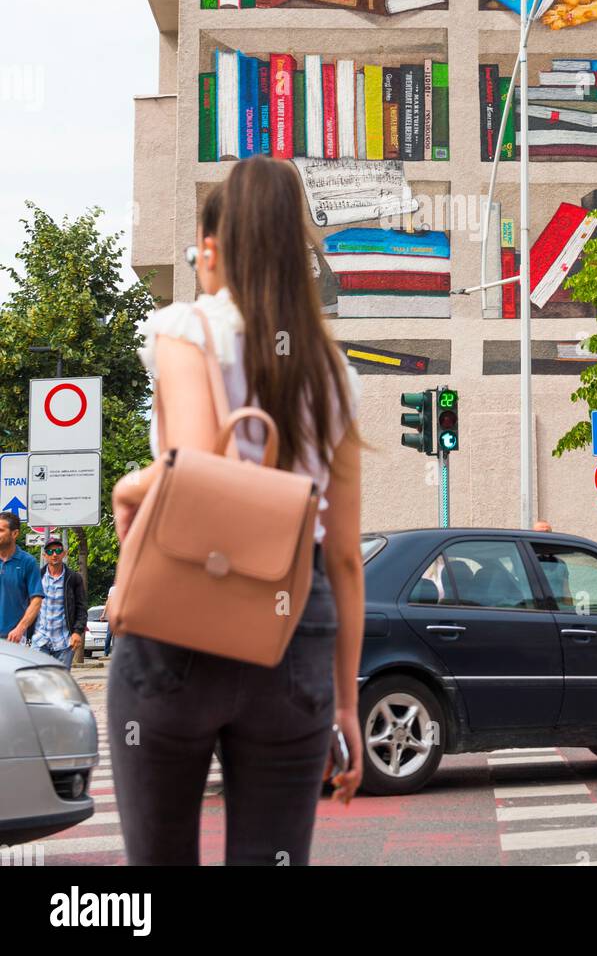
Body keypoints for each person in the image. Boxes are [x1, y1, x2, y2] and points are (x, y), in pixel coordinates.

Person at [108, 156, 365, 866]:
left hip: (179, 622)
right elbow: (344, 555)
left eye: (197, 251)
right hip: (294, 635)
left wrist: (131, 487)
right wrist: (345, 707)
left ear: (214, 248)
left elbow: (196, 469)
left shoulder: (185, 328)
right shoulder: (332, 371)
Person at [30, 539, 86, 669]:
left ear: (64, 553)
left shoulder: (73, 578)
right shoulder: (37, 577)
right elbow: (27, 604)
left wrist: (77, 632)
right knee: (38, 681)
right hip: (39, 640)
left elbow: (81, 608)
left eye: (58, 551)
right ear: (45, 555)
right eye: (50, 551)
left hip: (64, 643)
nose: (54, 554)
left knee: (60, 684)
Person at [0, 512, 43, 644]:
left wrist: (21, 628)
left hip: (14, 638)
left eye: (1, 530)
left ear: (15, 534)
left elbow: (36, 600)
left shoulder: (27, 562)